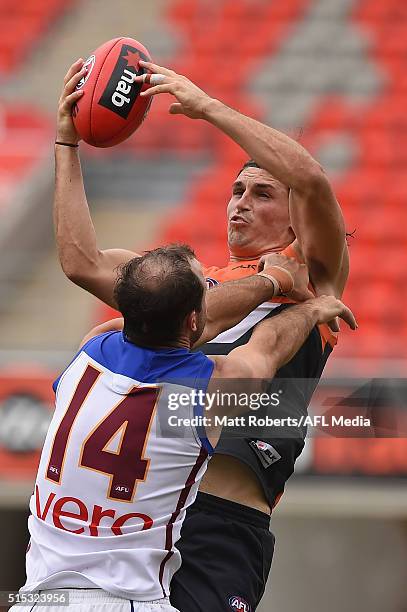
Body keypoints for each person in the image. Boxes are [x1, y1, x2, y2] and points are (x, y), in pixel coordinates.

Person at [54, 58, 351, 611]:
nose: (241, 201)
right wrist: (66, 146)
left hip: (220, 522)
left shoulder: (311, 276)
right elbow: (82, 261)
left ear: (296, 222)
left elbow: (310, 179)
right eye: (237, 190)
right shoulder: (182, 287)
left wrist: (207, 106)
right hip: (145, 513)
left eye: (262, 193)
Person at [13, 245, 356, 612]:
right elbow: (268, 345)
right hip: (127, 601)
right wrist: (309, 307)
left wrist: (268, 281)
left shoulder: (88, 352)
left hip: (37, 599)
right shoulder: (211, 389)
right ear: (194, 321)